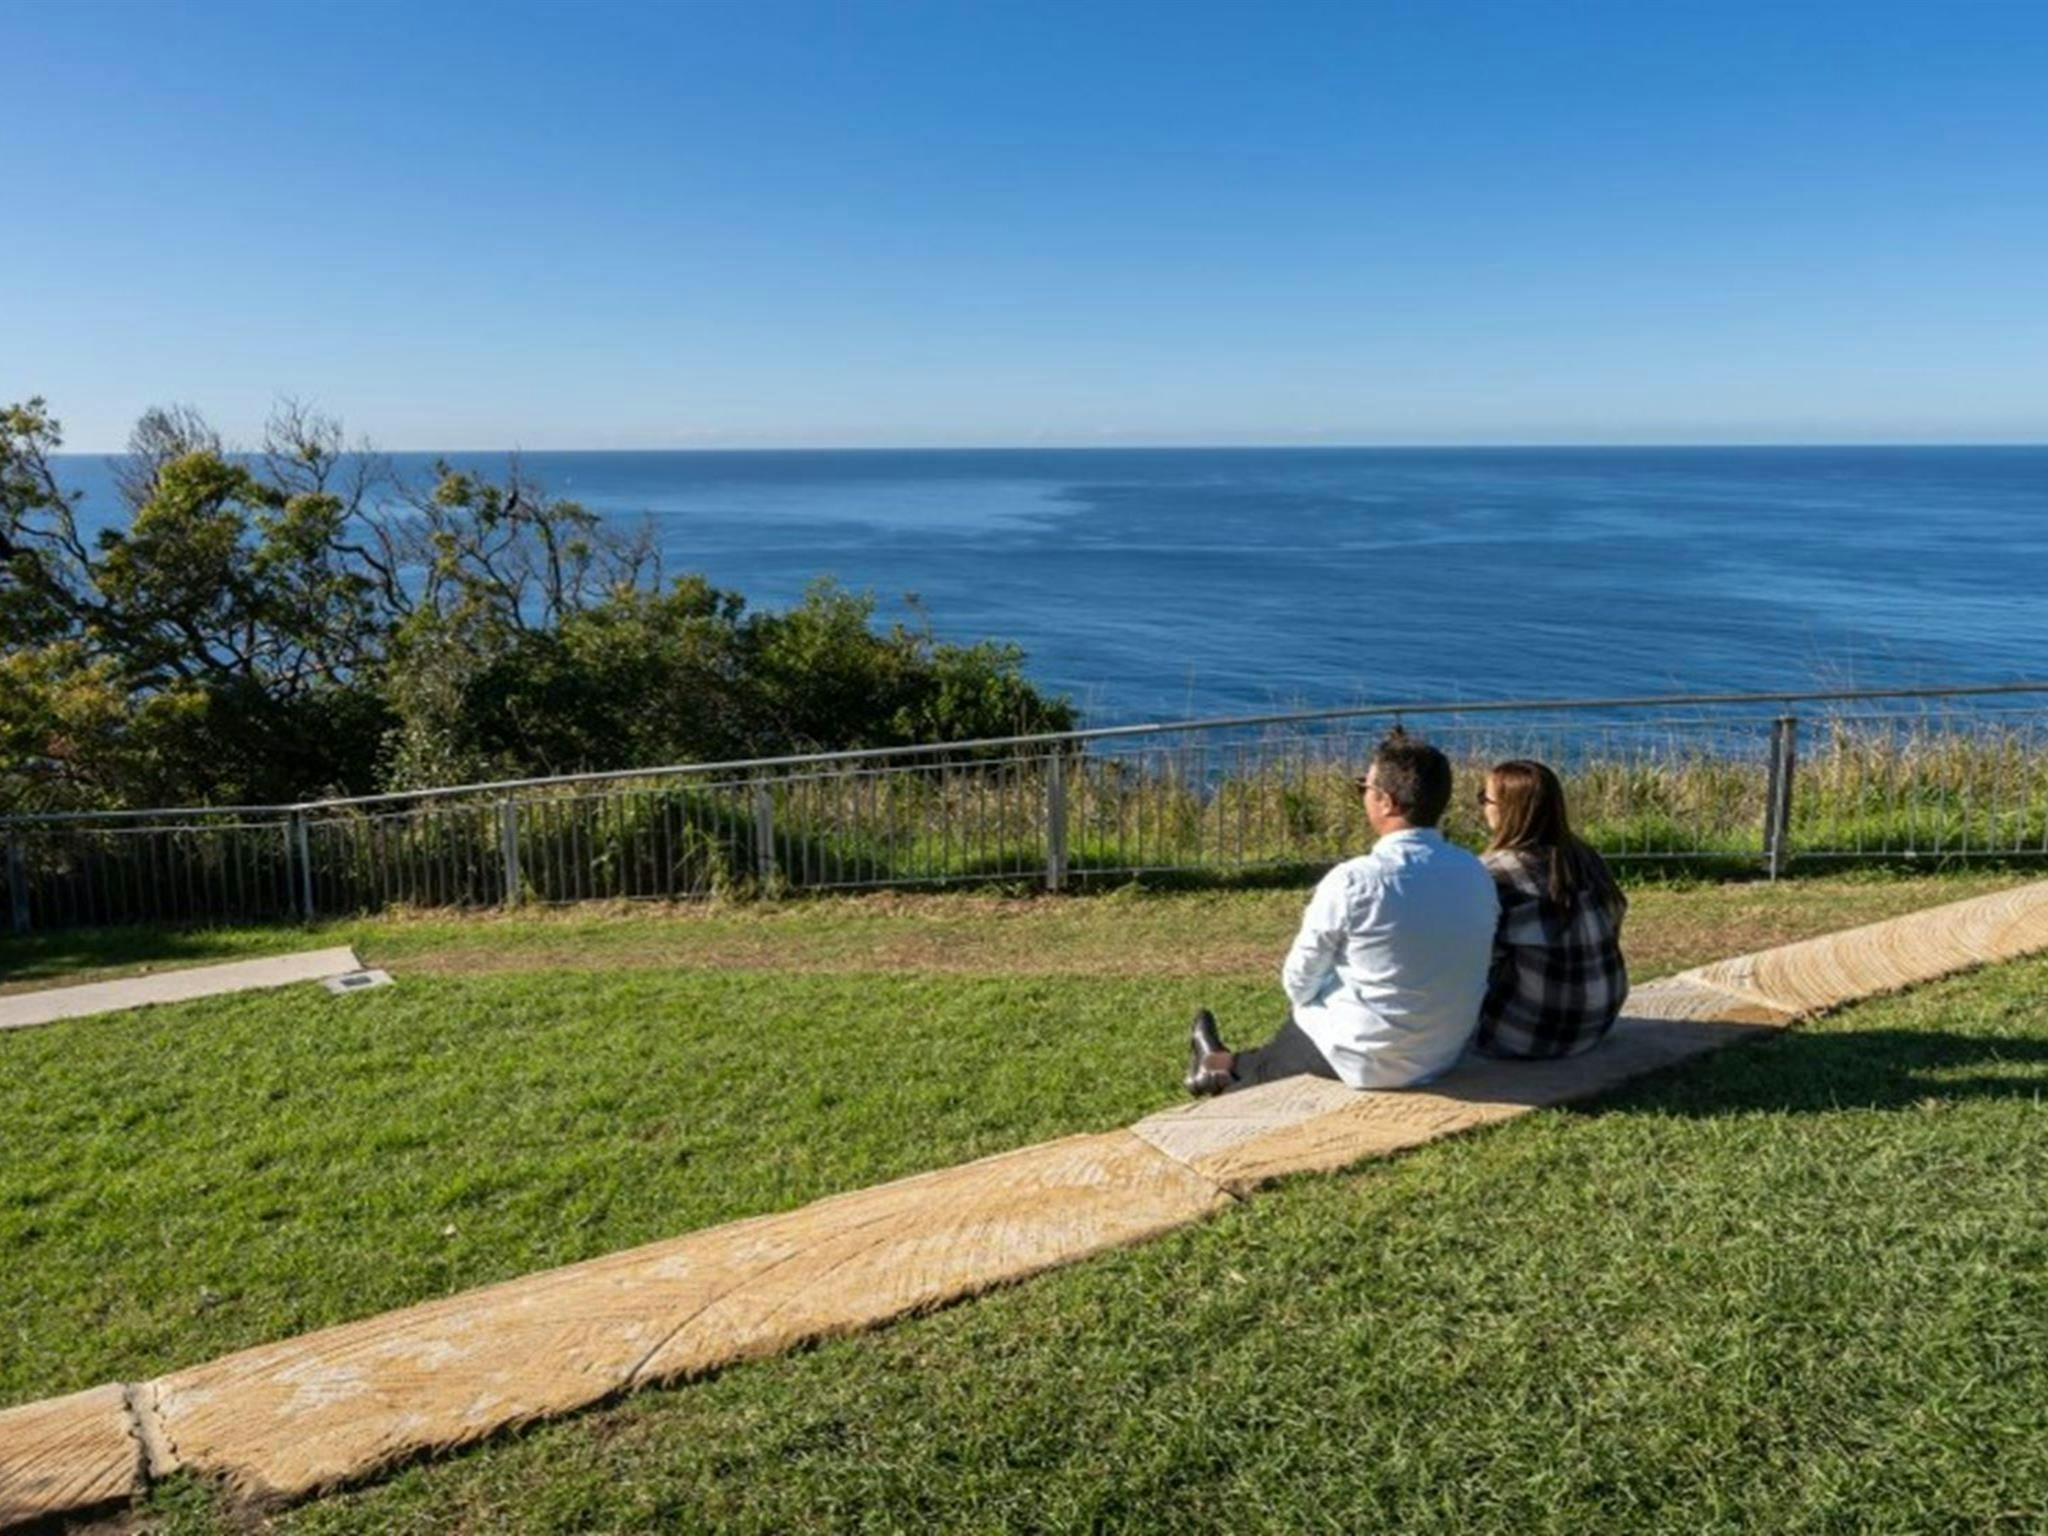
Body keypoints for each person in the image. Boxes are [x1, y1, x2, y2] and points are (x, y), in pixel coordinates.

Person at [1185, 731, 1498, 1095]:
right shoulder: (1475, 873)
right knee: (1290, 1041)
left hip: (1368, 1055)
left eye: (1364, 787)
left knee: (1276, 1056)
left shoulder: (1355, 880)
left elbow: (1298, 981)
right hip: (1444, 1050)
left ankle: (1217, 1067)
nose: (1363, 794)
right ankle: (1221, 1061)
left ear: (1386, 802)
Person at [1473, 758, 1629, 1059]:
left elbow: (1475, 958)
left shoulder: (1495, 872)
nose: (1482, 806)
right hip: (1597, 1021)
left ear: (1508, 810)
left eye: (1485, 798)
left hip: (1526, 1033)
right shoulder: (1582, 855)